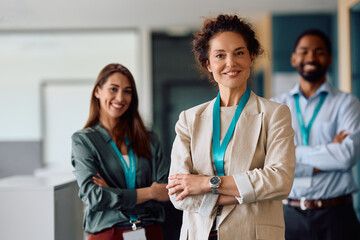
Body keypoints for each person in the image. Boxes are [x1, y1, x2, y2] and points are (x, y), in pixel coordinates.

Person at [166, 14, 295, 240]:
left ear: (251, 57)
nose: (230, 63)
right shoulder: (189, 119)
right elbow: (179, 195)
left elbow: (280, 181)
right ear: (208, 63)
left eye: (239, 53)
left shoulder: (275, 114)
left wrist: (206, 183)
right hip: (199, 234)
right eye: (220, 56)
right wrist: (250, 192)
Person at [271, 29, 360, 240]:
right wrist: (329, 152)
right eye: (304, 51)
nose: (311, 57)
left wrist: (292, 154)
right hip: (288, 216)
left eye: (319, 52)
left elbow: (347, 156)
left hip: (336, 215)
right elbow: (270, 160)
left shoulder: (346, 104)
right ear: (294, 58)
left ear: (329, 59)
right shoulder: (276, 106)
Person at [71, 63, 170, 240]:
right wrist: (150, 192)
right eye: (113, 89)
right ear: (97, 91)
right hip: (108, 233)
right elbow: (95, 196)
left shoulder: (148, 138)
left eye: (127, 91)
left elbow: (167, 190)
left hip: (150, 231)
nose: (120, 97)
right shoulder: (84, 140)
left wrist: (113, 193)